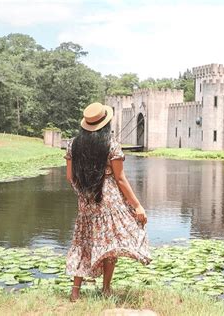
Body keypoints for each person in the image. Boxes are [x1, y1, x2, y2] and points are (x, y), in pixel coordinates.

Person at [64, 102, 151, 302]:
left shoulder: (73, 144)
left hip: (86, 201)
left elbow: (70, 177)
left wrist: (83, 192)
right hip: (109, 201)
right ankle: (106, 289)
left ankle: (75, 293)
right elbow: (120, 179)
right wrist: (137, 205)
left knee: (82, 242)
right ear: (106, 123)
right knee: (111, 243)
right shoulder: (111, 145)